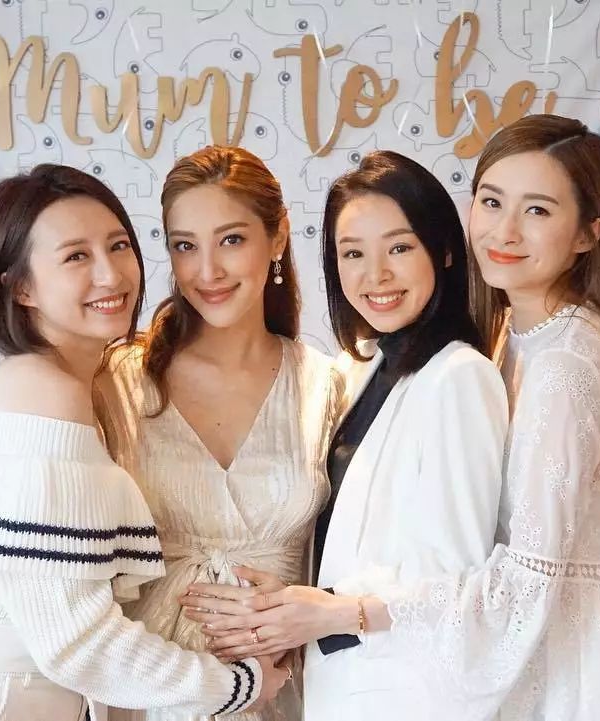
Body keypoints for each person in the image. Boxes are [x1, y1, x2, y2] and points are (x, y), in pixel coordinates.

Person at [190, 117, 600, 720]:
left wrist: (338, 612)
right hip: (519, 650)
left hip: (576, 666)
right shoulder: (508, 333)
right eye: (491, 202)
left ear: (587, 234)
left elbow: (522, 583)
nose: (504, 231)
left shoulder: (561, 367)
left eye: (537, 210)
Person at [0, 164, 286, 721]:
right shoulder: (44, 394)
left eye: (118, 246)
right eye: (76, 256)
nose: (111, 274)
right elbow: (77, 643)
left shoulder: (75, 383)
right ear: (21, 286)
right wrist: (237, 686)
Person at [181, 150, 509, 720]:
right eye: (353, 253)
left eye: (399, 248)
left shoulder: (461, 377)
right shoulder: (362, 369)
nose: (374, 275)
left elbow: (460, 587)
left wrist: (331, 612)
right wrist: (289, 599)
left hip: (412, 695)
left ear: (445, 251)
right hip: (344, 688)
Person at [99, 146, 342, 721]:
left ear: (278, 237)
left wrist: (306, 608)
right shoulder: (120, 379)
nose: (206, 272)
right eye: (185, 246)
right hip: (151, 690)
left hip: (282, 690)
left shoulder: (326, 385)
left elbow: (354, 560)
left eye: (231, 240)